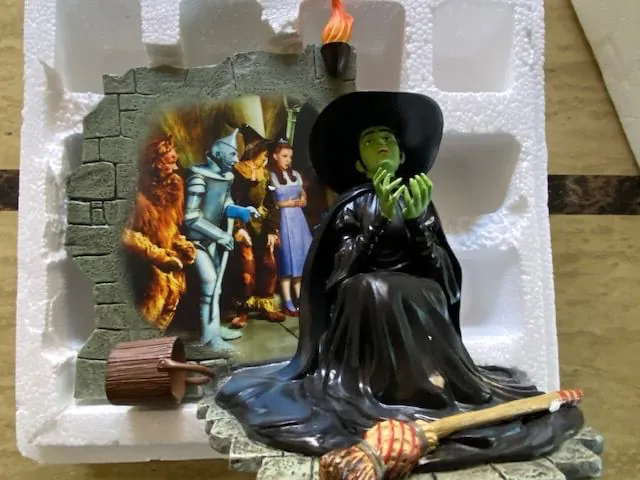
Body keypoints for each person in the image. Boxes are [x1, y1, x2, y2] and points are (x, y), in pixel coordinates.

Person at [215, 92, 584, 473]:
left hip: (416, 292)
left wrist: (416, 223)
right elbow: (340, 269)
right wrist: (378, 221)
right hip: (362, 294)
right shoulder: (352, 205)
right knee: (374, 288)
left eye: (388, 138)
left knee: (422, 291)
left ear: (402, 155)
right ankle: (375, 390)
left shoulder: (419, 201)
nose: (381, 143)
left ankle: (426, 391)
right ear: (360, 162)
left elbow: (442, 274)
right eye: (370, 139)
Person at [183, 128, 260, 350]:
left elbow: (225, 204)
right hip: (197, 243)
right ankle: (209, 337)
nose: (236, 159)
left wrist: (241, 211)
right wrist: (220, 235)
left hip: (212, 241)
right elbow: (191, 218)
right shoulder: (198, 178)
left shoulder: (227, 177)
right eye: (232, 154)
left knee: (216, 286)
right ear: (218, 154)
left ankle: (215, 328)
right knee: (209, 284)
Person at [122, 133, 196, 330]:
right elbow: (124, 234)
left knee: (164, 317)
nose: (176, 168)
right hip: (143, 271)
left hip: (169, 274)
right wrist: (156, 256)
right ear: (155, 162)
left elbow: (170, 227)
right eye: (170, 162)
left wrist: (181, 244)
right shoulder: (134, 193)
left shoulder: (175, 186)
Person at [224, 124, 286, 328]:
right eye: (263, 152)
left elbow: (271, 202)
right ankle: (243, 310)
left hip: (262, 225)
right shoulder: (236, 173)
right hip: (244, 224)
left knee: (268, 265)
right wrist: (238, 228)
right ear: (254, 151)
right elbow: (230, 202)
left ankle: (266, 305)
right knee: (246, 267)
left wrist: (272, 230)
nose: (266, 155)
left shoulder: (265, 174)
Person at [268, 139, 313, 316]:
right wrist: (286, 203)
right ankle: (287, 301)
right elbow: (270, 203)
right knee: (287, 261)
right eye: (284, 156)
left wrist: (302, 200)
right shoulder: (271, 177)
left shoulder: (296, 175)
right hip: (284, 220)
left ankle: (300, 298)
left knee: (300, 260)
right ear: (275, 156)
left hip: (298, 221)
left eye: (290, 157)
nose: (288, 160)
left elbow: (304, 198)